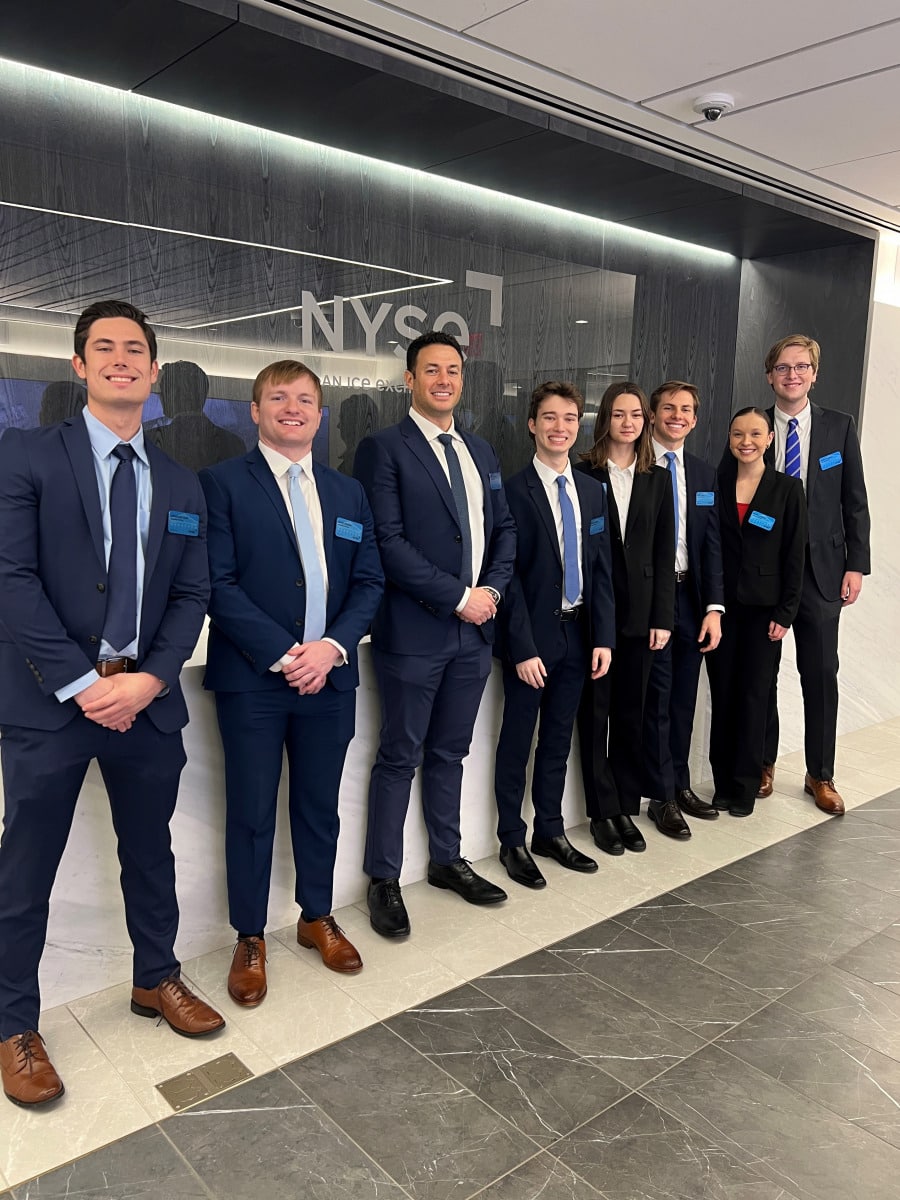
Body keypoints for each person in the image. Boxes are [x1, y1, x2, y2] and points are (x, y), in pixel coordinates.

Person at [0, 299, 224, 1109]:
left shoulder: (180, 479)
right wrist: (84, 683)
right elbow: (11, 580)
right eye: (105, 348)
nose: (122, 359)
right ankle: (14, 1023)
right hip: (50, 703)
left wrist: (150, 679)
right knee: (25, 871)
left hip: (145, 703)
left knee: (150, 854)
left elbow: (192, 592)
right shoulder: (26, 455)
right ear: (79, 366)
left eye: (136, 350)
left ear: (156, 372)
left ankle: (154, 979)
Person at [200, 361, 383, 1002]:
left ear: (320, 411)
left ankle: (315, 916)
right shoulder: (220, 484)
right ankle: (250, 937)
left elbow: (369, 582)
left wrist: (330, 648)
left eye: (305, 398)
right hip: (253, 681)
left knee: (318, 807)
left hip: (329, 681)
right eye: (278, 397)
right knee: (250, 813)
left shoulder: (347, 494)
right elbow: (215, 584)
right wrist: (285, 653)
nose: (292, 408)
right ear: (254, 410)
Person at [354, 330, 516, 937]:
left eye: (453, 370)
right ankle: (385, 879)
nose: (444, 380)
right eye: (431, 371)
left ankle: (447, 860)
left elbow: (505, 531)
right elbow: (386, 542)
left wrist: (491, 594)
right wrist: (457, 598)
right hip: (415, 631)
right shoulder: (383, 448)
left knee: (451, 752)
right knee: (400, 755)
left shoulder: (481, 450)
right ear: (410, 380)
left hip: (476, 634)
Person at [494, 382, 614, 888]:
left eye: (569, 418)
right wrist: (521, 647)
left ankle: (549, 829)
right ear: (531, 424)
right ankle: (511, 839)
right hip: (532, 643)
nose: (559, 427)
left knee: (559, 740)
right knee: (517, 742)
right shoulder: (512, 491)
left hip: (580, 637)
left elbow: (602, 567)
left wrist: (604, 637)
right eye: (549, 418)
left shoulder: (591, 490)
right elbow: (509, 575)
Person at [760, 335, 870, 815]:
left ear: (814, 374)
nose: (792, 375)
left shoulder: (838, 428)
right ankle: (762, 764)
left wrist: (856, 563)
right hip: (764, 574)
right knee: (762, 673)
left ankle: (819, 774)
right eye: (783, 367)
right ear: (770, 375)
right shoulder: (753, 425)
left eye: (801, 367)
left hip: (823, 573)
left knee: (820, 674)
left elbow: (855, 500)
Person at [576, 382, 674, 856]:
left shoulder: (658, 478)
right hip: (595, 617)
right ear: (605, 420)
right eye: (619, 415)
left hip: (641, 618)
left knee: (632, 716)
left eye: (637, 415)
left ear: (646, 422)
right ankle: (601, 812)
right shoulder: (582, 473)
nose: (629, 423)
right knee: (595, 717)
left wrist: (663, 617)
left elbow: (663, 548)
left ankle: (626, 808)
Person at [708, 407, 807, 816]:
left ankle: (746, 783)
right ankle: (722, 782)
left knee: (754, 696)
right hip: (720, 609)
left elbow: (795, 554)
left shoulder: (787, 488)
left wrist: (786, 614)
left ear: (769, 439)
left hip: (765, 611)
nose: (745, 442)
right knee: (723, 695)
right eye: (737, 434)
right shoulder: (714, 484)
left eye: (754, 434)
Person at [642, 381, 724, 839]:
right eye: (669, 408)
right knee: (656, 699)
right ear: (653, 415)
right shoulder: (636, 464)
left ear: (695, 419)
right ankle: (661, 796)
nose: (677, 415)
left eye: (686, 409)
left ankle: (680, 783)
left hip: (691, 600)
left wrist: (714, 608)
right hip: (652, 601)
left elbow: (711, 545)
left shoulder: (703, 473)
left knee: (683, 699)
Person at [149, 360, 245, 471]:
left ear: (173, 395)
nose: (160, 396)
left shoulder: (150, 441)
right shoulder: (234, 444)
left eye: (163, 391)